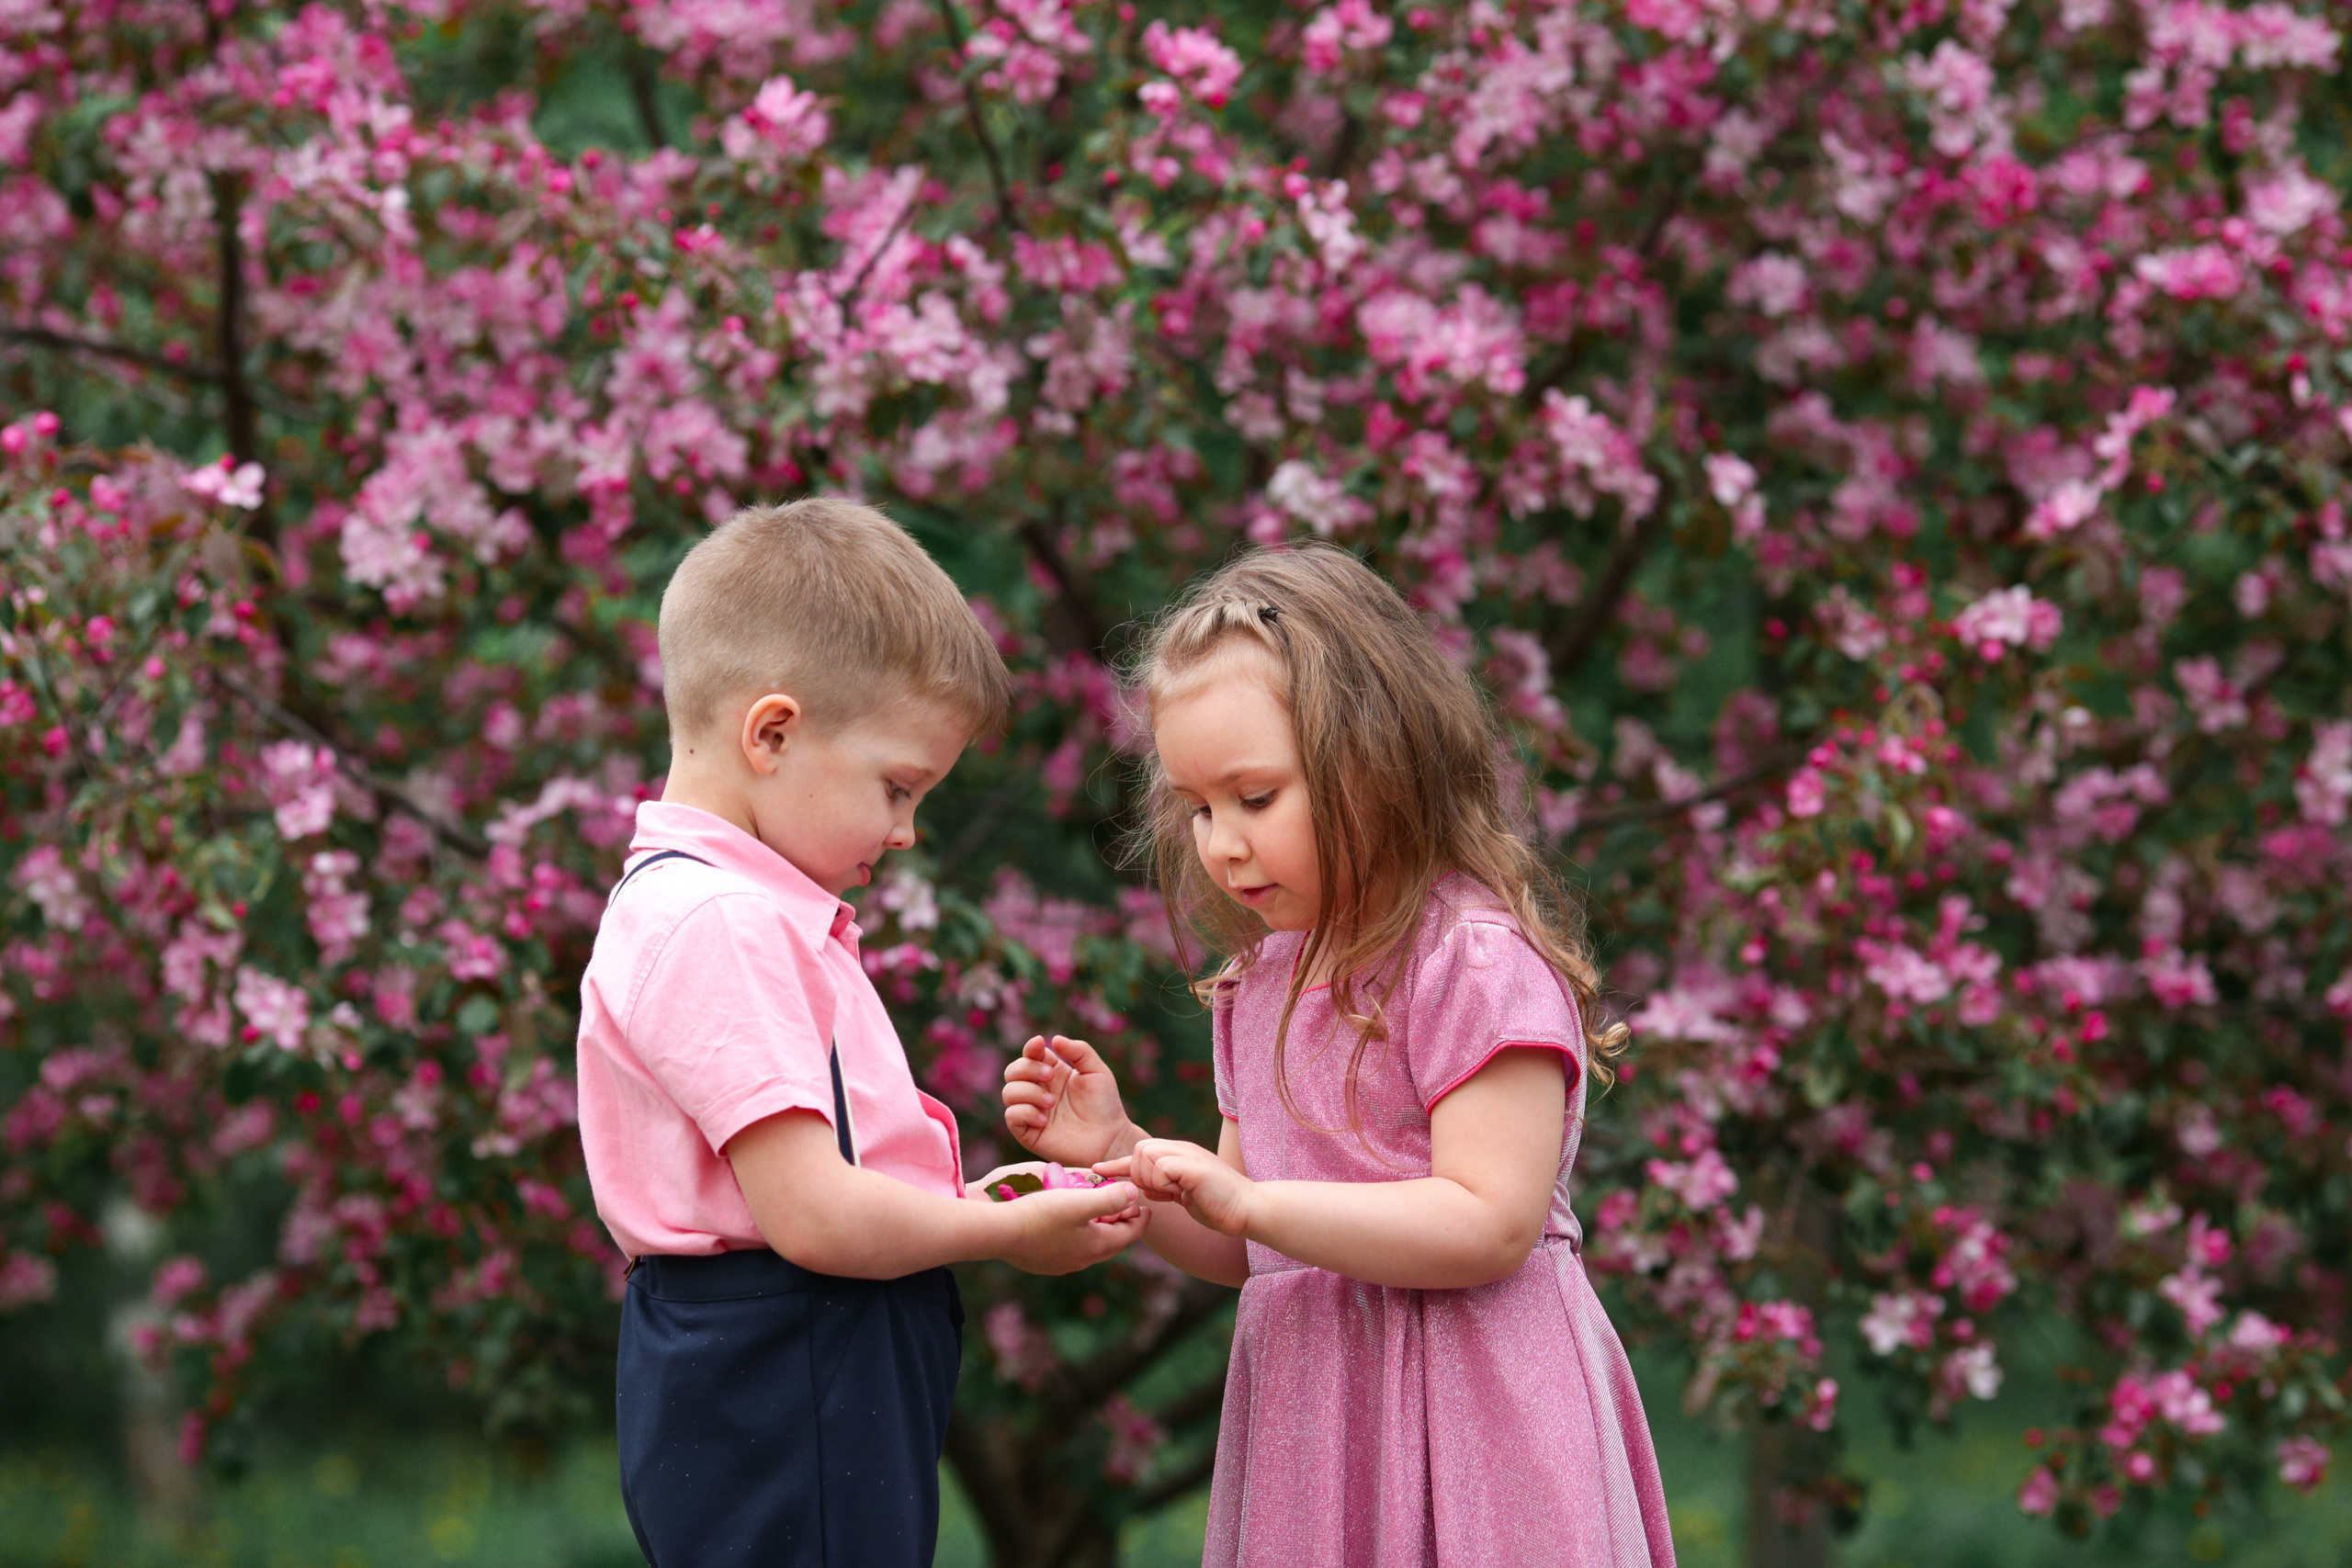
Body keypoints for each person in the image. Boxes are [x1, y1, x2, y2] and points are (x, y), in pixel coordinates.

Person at [1001, 543, 1677, 1568]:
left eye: (1255, 798)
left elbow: (1487, 1222)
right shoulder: (1261, 984)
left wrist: (1254, 1206)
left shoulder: (1470, 961)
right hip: (1315, 1431)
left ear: (1374, 759)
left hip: (1477, 1423)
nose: (1221, 844)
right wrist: (1124, 1152)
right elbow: (1243, 1246)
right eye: (1197, 808)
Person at [577, 498, 1146, 1568]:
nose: (906, 831)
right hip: (789, 1355)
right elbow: (816, 1222)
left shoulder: (731, 908)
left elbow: (817, 1195)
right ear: (773, 734)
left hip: (789, 1349)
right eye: (897, 787)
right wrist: (1003, 1236)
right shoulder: (721, 924)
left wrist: (969, 1206)